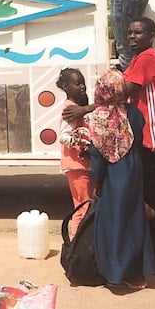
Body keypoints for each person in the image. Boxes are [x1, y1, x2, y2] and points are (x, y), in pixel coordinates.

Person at [87, 70, 155, 288]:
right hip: (133, 169)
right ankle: (138, 272)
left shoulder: (97, 119)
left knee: (114, 221)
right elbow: (139, 141)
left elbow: (97, 157)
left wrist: (97, 181)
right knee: (134, 218)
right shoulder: (133, 114)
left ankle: (115, 273)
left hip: (113, 175)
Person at [122, 17, 155, 275]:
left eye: (138, 33)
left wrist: (87, 108)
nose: (132, 37)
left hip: (151, 140)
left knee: (152, 202)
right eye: (130, 33)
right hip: (148, 138)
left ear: (151, 36)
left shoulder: (146, 59)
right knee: (147, 199)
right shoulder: (140, 58)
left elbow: (121, 91)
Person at [57, 68, 92, 238]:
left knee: (83, 205)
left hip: (81, 165)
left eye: (83, 83)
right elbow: (63, 135)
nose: (82, 87)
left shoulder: (77, 107)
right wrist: (81, 145)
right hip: (77, 165)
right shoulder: (70, 109)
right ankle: (77, 244)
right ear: (65, 86)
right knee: (83, 208)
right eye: (77, 84)